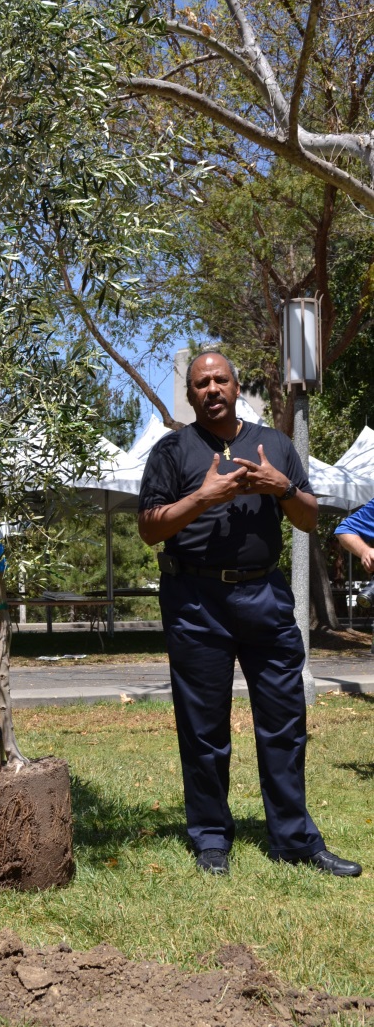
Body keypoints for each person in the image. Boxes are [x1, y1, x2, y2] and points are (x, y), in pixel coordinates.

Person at [138, 350, 362, 878]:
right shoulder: (172, 452)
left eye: (220, 380)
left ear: (238, 387)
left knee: (284, 721)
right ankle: (211, 838)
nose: (211, 389)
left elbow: (309, 520)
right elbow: (150, 528)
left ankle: (294, 838)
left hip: (264, 596)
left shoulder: (275, 445)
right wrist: (204, 495)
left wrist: (279, 487)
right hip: (195, 602)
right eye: (201, 383)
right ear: (191, 396)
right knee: (203, 727)